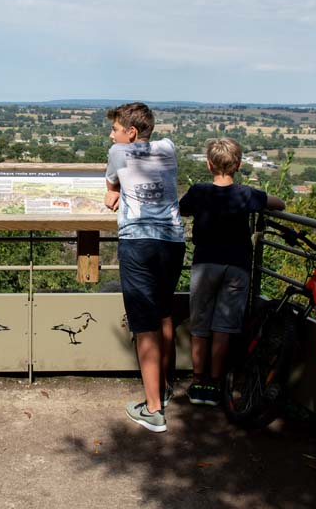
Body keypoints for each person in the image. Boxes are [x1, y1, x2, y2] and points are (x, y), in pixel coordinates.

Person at [179, 137, 285, 407]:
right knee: (223, 327)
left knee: (200, 325)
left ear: (208, 164)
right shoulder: (247, 195)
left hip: (205, 264)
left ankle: (198, 380)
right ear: (238, 165)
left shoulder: (199, 192)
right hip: (237, 266)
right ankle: (216, 382)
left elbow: (182, 208)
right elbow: (278, 203)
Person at [104, 102, 185, 433]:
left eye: (116, 129)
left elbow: (111, 191)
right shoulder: (168, 148)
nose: (111, 134)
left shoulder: (117, 153)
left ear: (131, 132)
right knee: (164, 313)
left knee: (144, 325)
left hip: (138, 241)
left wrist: (114, 191)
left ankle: (153, 410)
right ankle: (163, 390)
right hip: (172, 240)